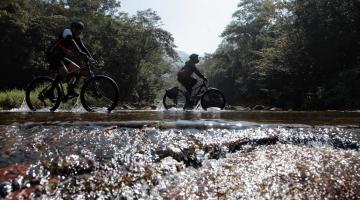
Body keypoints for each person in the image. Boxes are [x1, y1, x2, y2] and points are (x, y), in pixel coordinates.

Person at [45, 20, 93, 100]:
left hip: (60, 58)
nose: (79, 32)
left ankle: (70, 89)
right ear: (73, 29)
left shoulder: (77, 37)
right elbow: (71, 41)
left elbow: (83, 47)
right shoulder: (67, 32)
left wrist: (91, 58)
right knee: (64, 72)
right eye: (78, 30)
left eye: (80, 30)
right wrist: (80, 52)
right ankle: (50, 92)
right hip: (52, 55)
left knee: (78, 70)